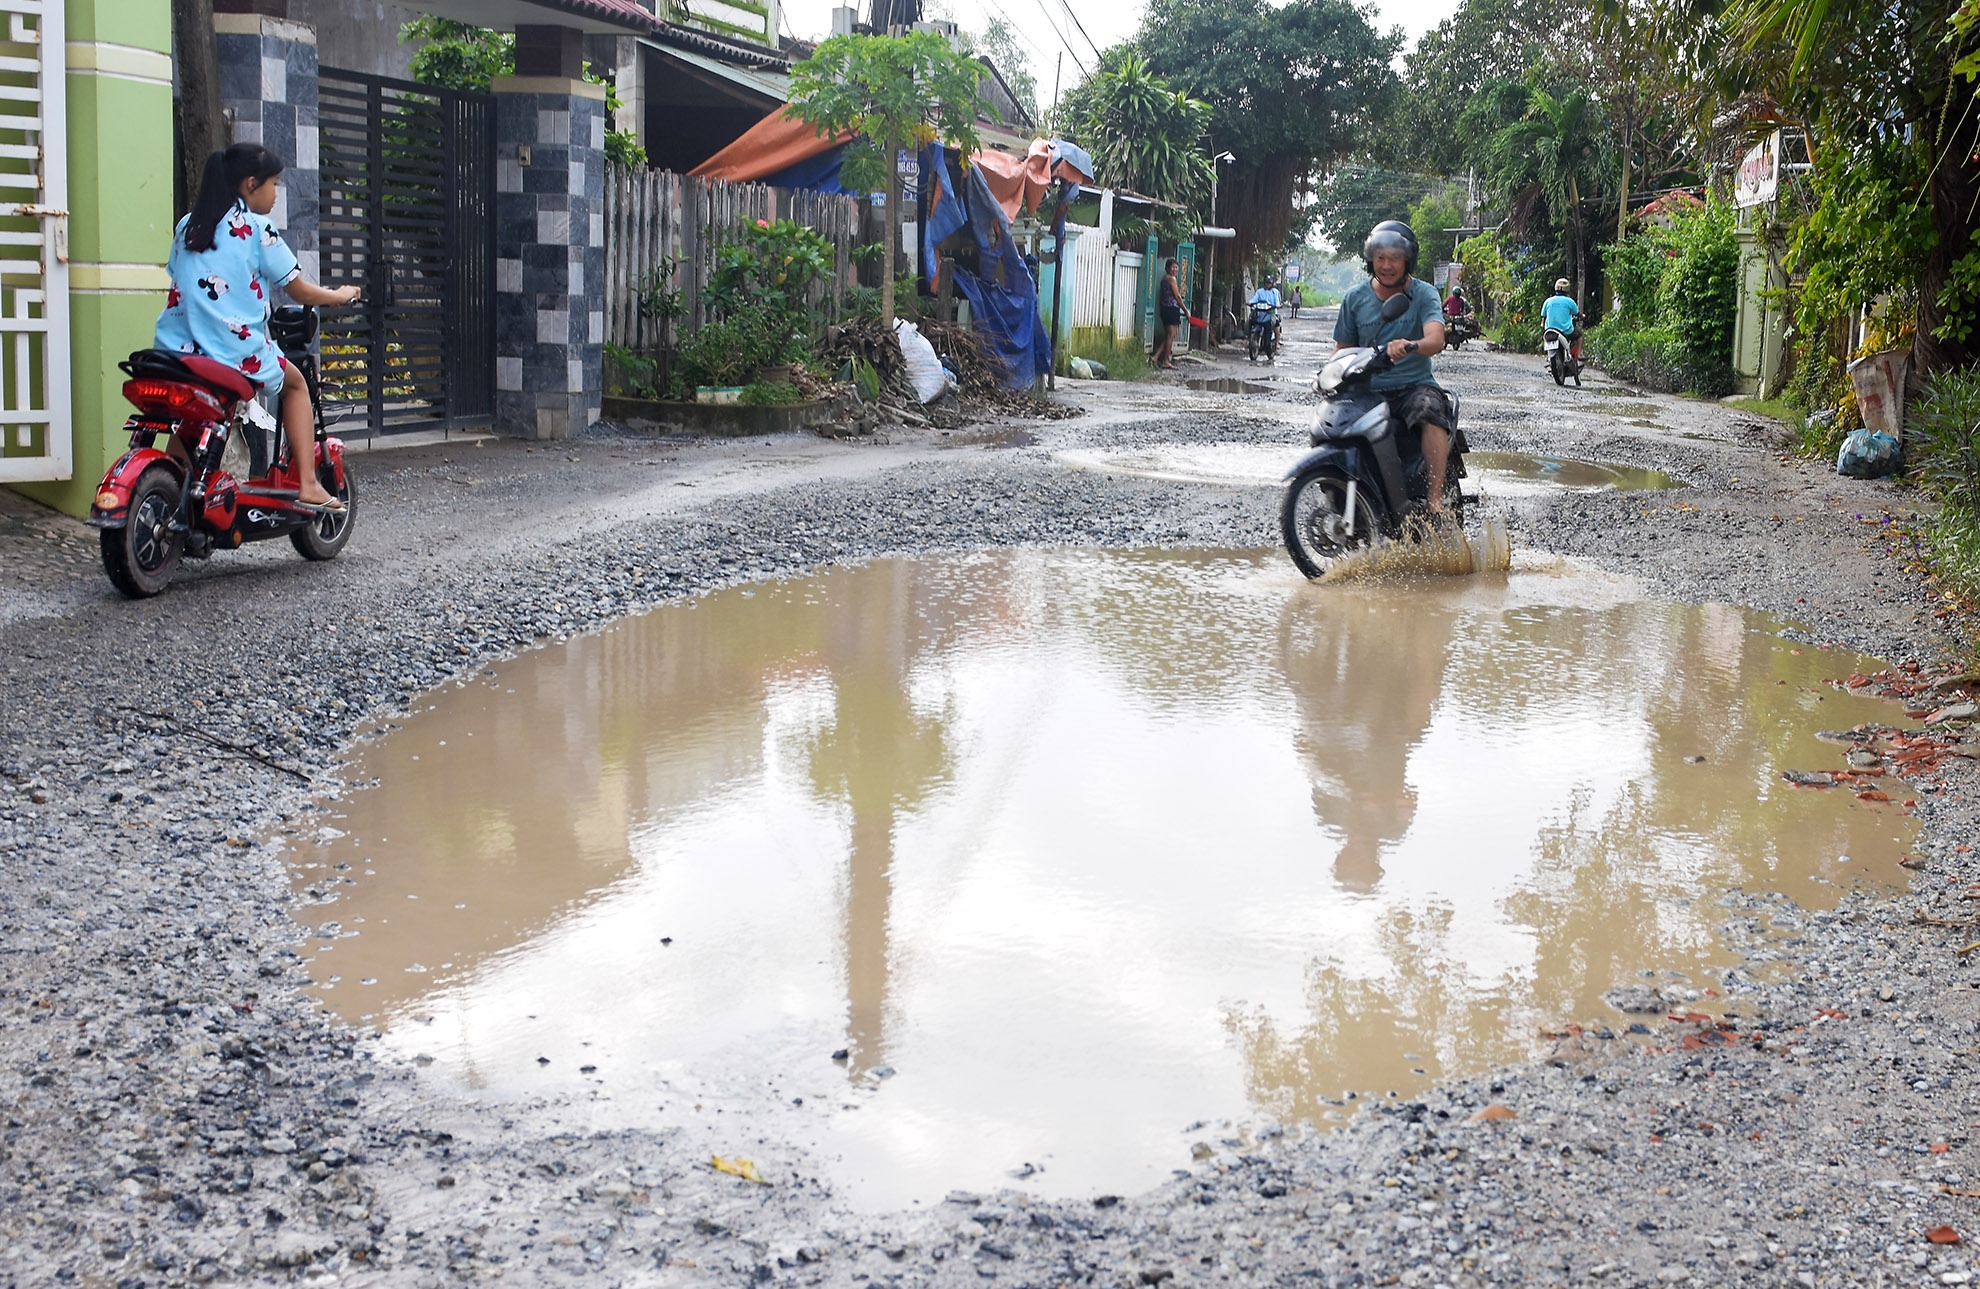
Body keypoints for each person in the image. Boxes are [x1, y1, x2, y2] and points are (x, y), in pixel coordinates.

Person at [156, 144, 362, 511]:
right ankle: (310, 485)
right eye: (274, 184)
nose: (275, 193)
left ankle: (171, 494)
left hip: (176, 353)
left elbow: (182, 279)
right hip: (232, 353)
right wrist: (339, 295)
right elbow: (297, 288)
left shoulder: (188, 225)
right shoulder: (256, 228)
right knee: (296, 384)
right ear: (251, 184)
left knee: (193, 417)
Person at [1331, 220, 1454, 514]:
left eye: (1395, 258)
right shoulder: (1355, 298)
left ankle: (1434, 501)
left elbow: (1436, 339)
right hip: (1368, 390)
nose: (1386, 265)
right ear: (1371, 259)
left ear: (1407, 260)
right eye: (1380, 258)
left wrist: (1410, 344)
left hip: (1414, 386)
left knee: (1430, 411)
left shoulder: (1424, 294)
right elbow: (1342, 350)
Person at [1541, 277, 1583, 360]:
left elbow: (1543, 320)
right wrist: (1582, 317)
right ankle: (1579, 354)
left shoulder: (1548, 301)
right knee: (1580, 335)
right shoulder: (1570, 301)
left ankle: (1548, 356)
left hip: (1550, 330)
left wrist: (1544, 325)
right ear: (1567, 289)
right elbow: (1578, 314)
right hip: (1565, 330)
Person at [1153, 258, 1183, 370]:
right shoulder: (1171, 279)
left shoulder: (1164, 279)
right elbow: (1178, 297)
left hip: (1165, 309)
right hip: (1172, 309)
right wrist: (1186, 311)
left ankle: (1156, 357)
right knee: (1171, 336)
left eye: (1176, 267)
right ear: (1167, 268)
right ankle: (1165, 361)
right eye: (1173, 267)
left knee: (1168, 336)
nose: (1175, 269)